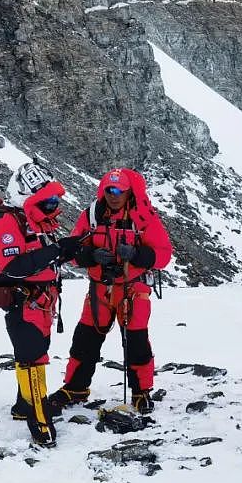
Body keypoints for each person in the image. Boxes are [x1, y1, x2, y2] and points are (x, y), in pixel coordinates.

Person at [48, 168, 173, 415]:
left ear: (130, 193)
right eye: (109, 190)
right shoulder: (92, 215)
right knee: (85, 339)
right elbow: (73, 251)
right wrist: (89, 256)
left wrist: (138, 255)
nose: (114, 195)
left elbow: (163, 255)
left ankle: (141, 392)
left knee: (137, 343)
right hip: (99, 289)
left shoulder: (144, 218)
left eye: (120, 191)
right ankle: (75, 388)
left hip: (133, 290)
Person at [0, 161, 83, 448]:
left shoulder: (33, 221)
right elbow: (12, 267)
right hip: (22, 303)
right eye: (48, 200)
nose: (54, 205)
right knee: (32, 359)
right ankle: (39, 422)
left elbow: (40, 256)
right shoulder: (4, 224)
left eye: (55, 200)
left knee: (35, 352)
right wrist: (56, 251)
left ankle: (22, 406)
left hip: (41, 303)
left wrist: (64, 250)